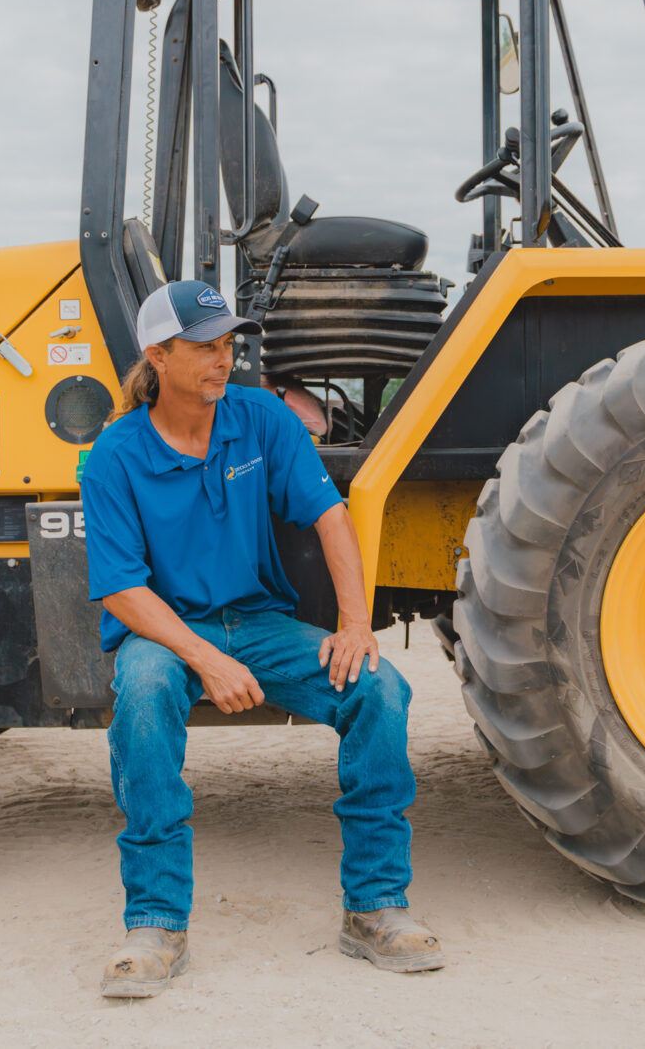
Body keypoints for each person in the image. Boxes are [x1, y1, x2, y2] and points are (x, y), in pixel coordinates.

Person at [79, 279, 445, 999]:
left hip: (261, 624)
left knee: (380, 686)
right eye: (205, 346)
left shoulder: (260, 419)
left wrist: (354, 624)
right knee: (146, 690)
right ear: (157, 354)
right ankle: (155, 920)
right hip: (167, 634)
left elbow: (330, 516)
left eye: (227, 343)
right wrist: (205, 657)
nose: (224, 358)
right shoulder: (115, 453)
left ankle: (375, 906)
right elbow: (123, 588)